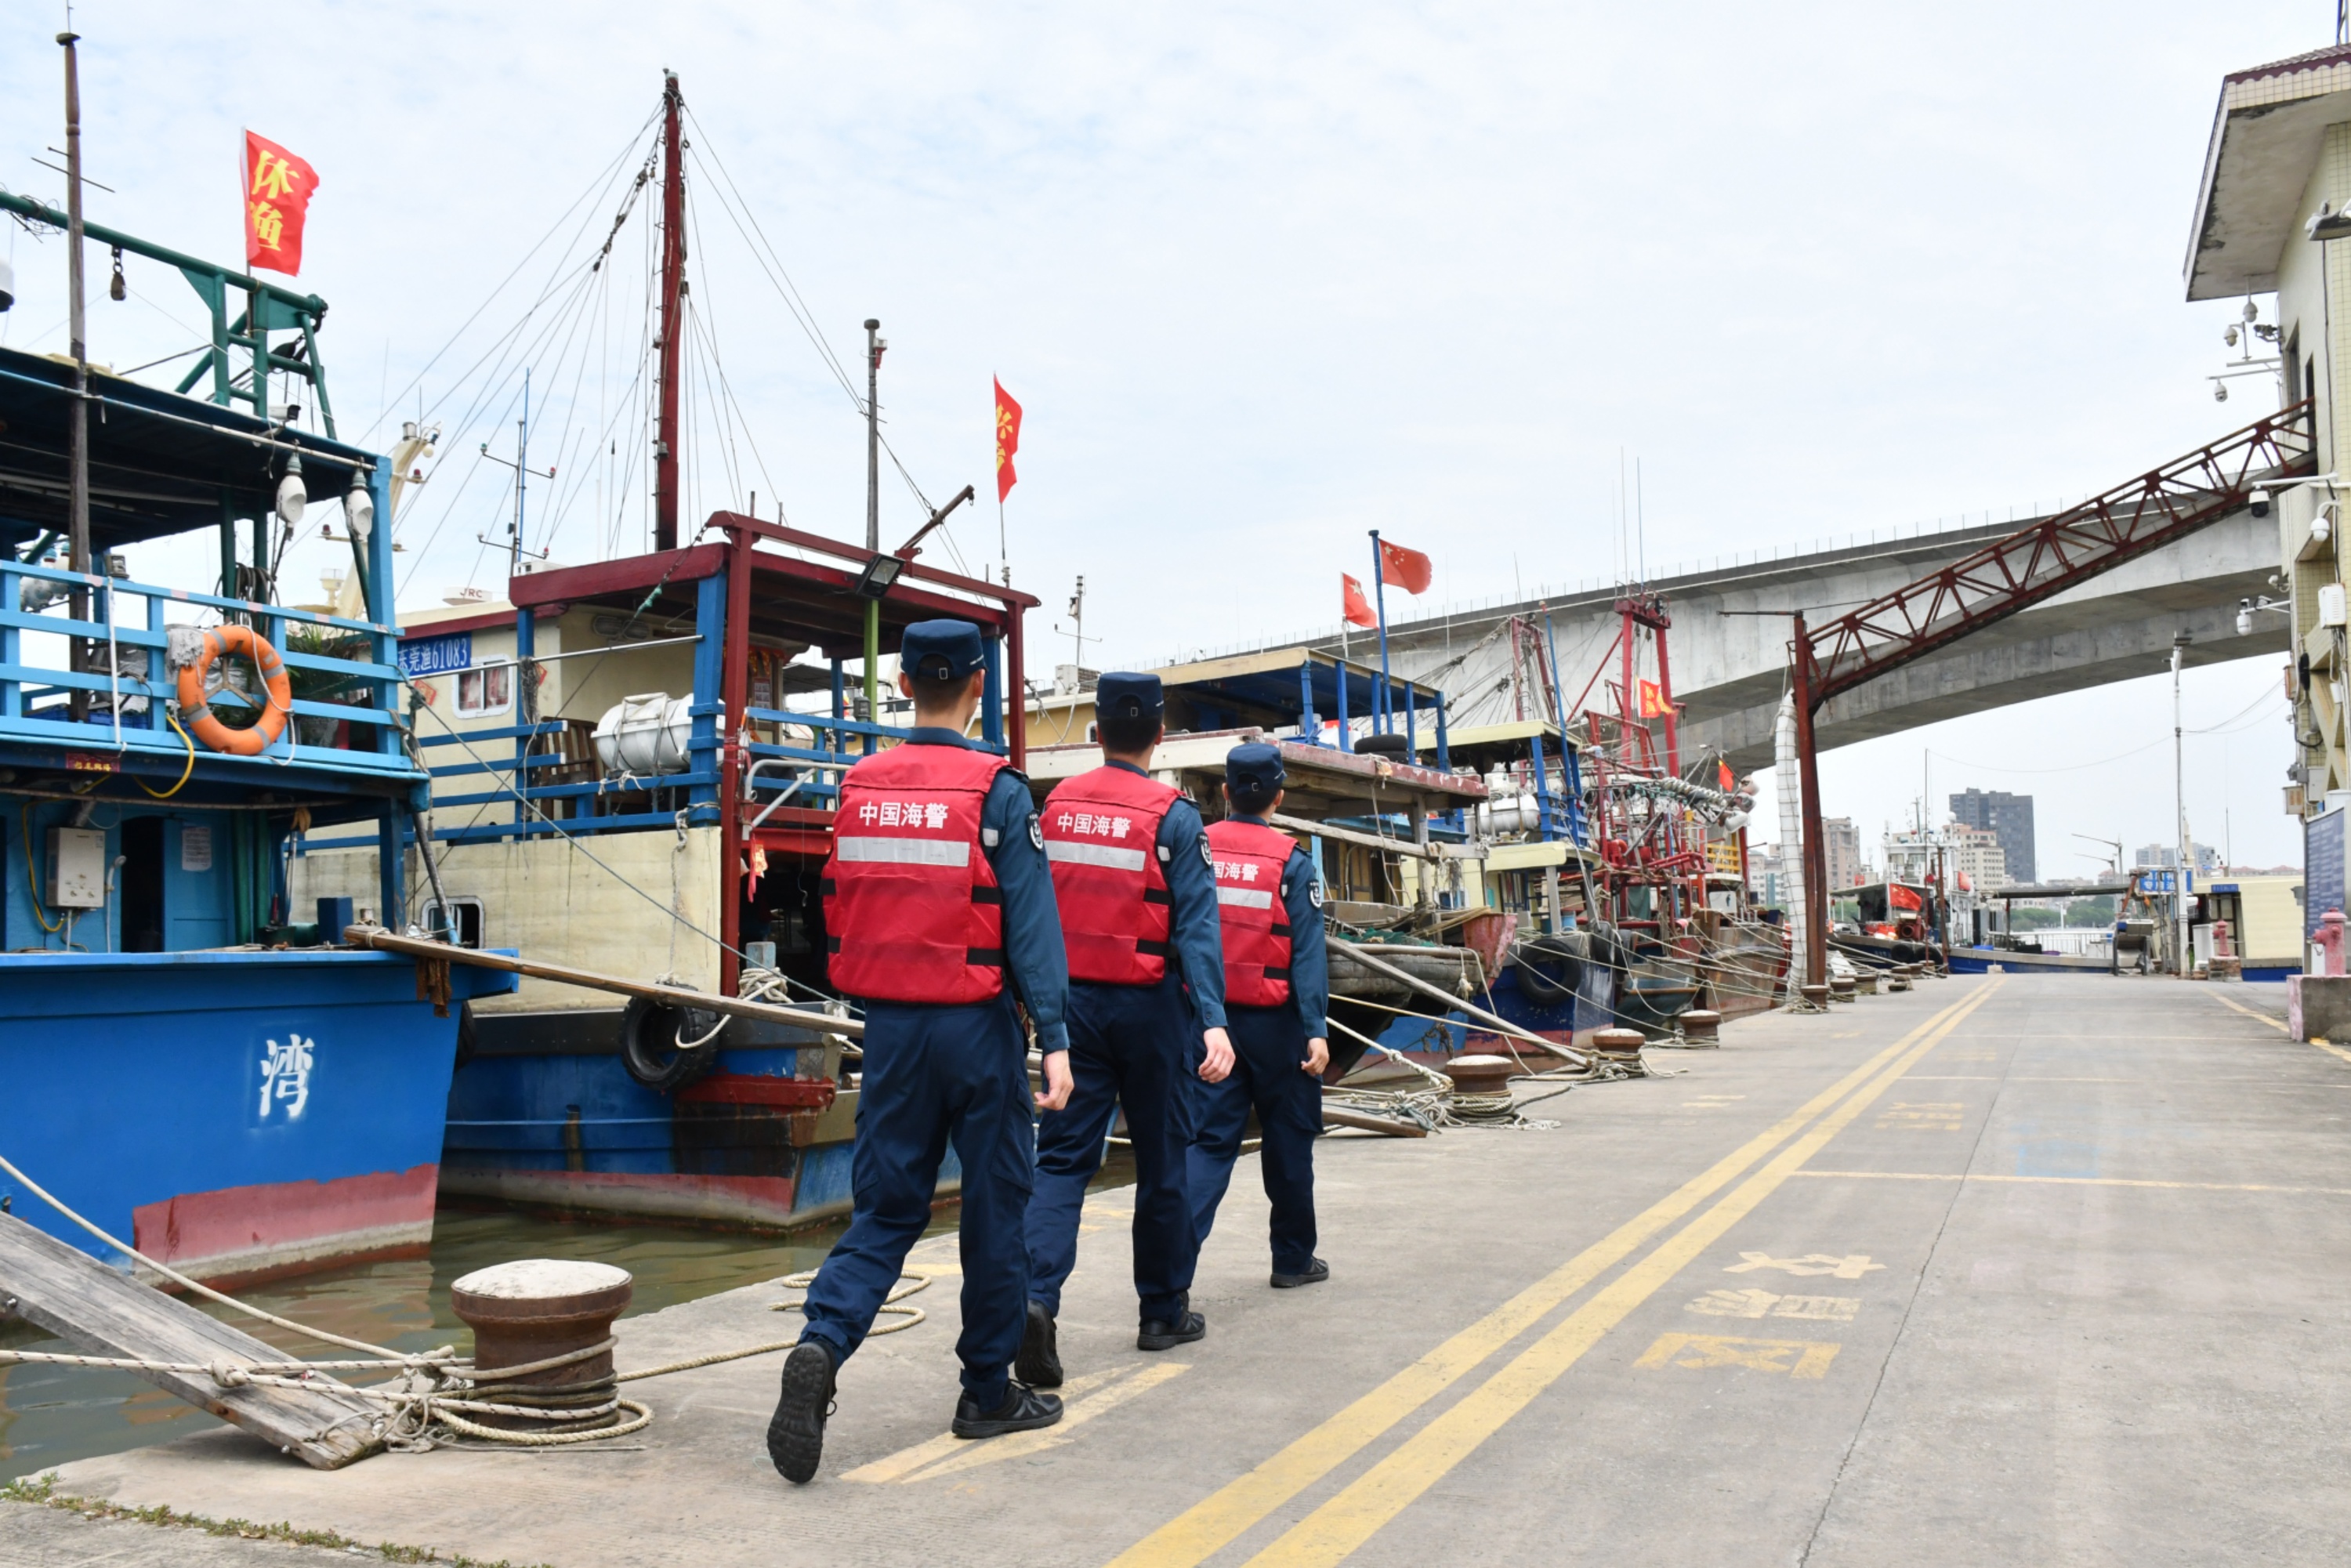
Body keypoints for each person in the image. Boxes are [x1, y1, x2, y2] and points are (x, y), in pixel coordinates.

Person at [767, 619, 1075, 1485]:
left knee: (887, 1213)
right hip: (977, 1030)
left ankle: (822, 1343)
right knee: (993, 1209)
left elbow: (839, 904)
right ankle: (985, 1392)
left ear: (902, 684)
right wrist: (1055, 1040)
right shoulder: (998, 791)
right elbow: (1032, 926)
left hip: (891, 1030)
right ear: (978, 685)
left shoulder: (859, 786)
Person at [1017, 672, 1233, 1385]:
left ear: (1096, 732)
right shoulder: (1174, 818)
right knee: (1164, 1162)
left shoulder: (1057, 807)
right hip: (1151, 1011)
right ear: (1161, 735)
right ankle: (1160, 1311)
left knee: (1061, 1163)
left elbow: (1030, 913)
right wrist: (1214, 1023)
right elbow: (1199, 933)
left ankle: (1033, 1298)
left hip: (1071, 1009)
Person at [1189, 743, 1331, 1289]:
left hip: (1210, 1025)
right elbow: (1308, 956)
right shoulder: (1293, 863)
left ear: (1225, 792)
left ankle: (1169, 1281)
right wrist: (1316, 1031)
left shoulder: (1196, 847)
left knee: (1205, 1147)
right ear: (1279, 796)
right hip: (1279, 1028)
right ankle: (1293, 1259)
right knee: (1289, 1141)